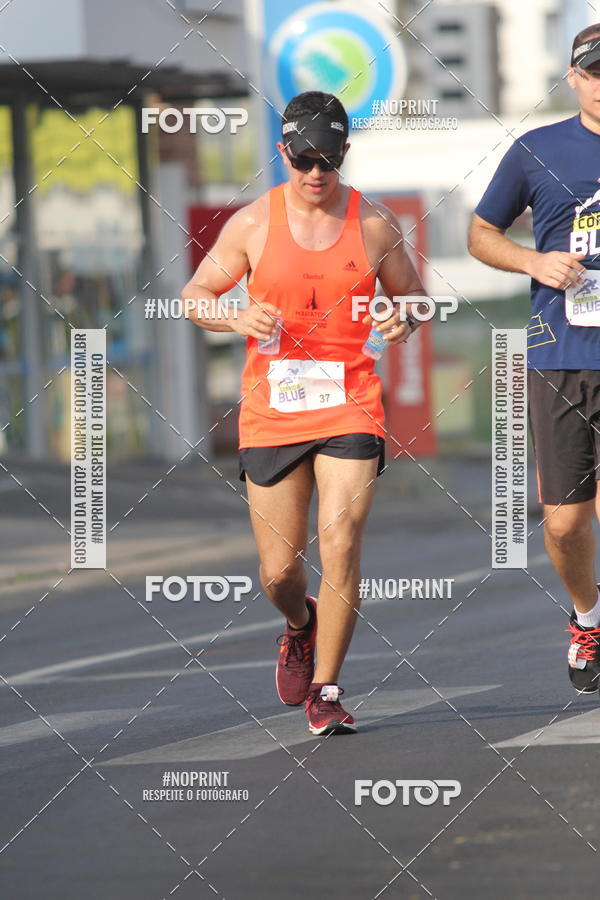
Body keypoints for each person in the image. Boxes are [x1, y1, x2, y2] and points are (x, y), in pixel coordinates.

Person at [182, 90, 425, 734]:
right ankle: (299, 622)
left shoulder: (374, 224)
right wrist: (234, 316)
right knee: (279, 571)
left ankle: (327, 688)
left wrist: (403, 319)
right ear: (283, 152)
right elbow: (194, 294)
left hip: (351, 405)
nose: (317, 172)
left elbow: (414, 296)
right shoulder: (252, 225)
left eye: (330, 158)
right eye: (305, 158)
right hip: (273, 412)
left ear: (344, 153)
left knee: (340, 542)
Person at [469, 25, 600, 694]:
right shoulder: (537, 150)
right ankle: (588, 616)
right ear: (573, 78)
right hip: (562, 354)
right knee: (565, 522)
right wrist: (534, 262)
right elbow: (480, 233)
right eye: (594, 72)